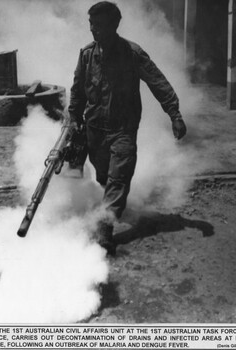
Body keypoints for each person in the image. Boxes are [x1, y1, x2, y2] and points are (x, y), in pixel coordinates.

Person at [68, 1, 187, 255]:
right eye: (91, 24)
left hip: (123, 130)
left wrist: (174, 114)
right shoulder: (87, 55)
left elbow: (158, 82)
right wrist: (73, 117)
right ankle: (108, 206)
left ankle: (105, 229)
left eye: (99, 25)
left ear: (114, 25)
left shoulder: (132, 53)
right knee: (104, 177)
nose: (93, 30)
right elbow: (77, 92)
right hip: (95, 130)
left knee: (118, 178)